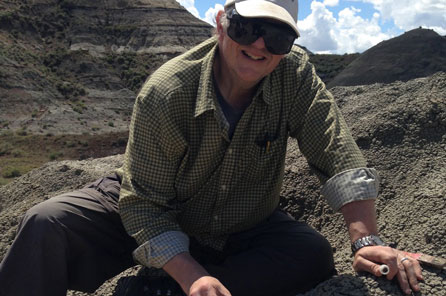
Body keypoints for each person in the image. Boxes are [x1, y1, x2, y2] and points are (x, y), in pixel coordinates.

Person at [0, 0, 423, 295]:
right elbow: (144, 205)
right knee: (46, 224)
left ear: (289, 47)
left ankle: (162, 288)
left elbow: (336, 153)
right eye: (248, 28)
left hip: (242, 222)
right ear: (221, 23)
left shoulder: (295, 77)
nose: (259, 45)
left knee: (310, 256)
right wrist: (189, 271)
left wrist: (365, 240)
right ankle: (186, 279)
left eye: (276, 37)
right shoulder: (168, 91)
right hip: (157, 205)